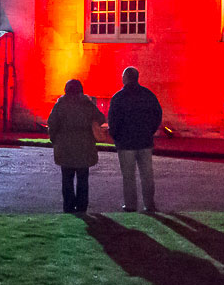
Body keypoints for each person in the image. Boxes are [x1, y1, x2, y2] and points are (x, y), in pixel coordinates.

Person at [106, 67, 163, 212]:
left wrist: (116, 136)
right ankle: (149, 204)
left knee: (129, 176)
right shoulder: (148, 95)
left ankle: (131, 205)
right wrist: (150, 131)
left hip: (125, 143)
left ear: (125, 78)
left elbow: (113, 120)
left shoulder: (118, 97)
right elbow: (157, 114)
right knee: (147, 175)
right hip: (144, 140)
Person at [47, 80, 106, 213]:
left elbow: (52, 123)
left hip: (65, 147)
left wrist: (54, 140)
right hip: (84, 147)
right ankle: (81, 206)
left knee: (67, 179)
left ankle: (68, 206)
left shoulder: (60, 105)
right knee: (82, 179)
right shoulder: (87, 104)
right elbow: (101, 118)